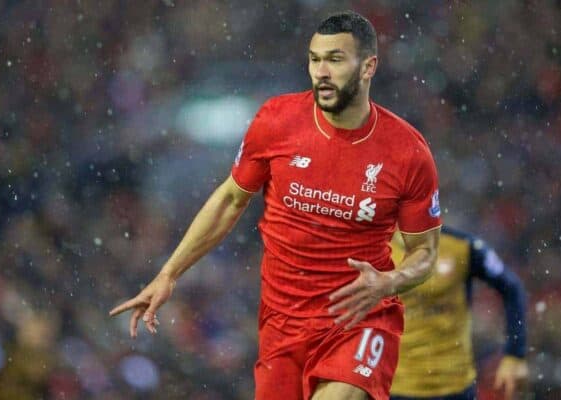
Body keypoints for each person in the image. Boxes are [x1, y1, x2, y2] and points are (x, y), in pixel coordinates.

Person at [110, 11, 442, 400]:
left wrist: (389, 281)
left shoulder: (407, 152)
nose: (321, 71)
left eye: (335, 59)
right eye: (315, 59)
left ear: (368, 66)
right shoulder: (277, 120)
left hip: (360, 318)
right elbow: (230, 199)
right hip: (282, 325)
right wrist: (169, 273)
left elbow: (425, 252)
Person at [389, 226, 528, 400]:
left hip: (454, 384)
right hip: (394, 385)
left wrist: (515, 354)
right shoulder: (375, 249)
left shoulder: (463, 246)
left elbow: (511, 288)